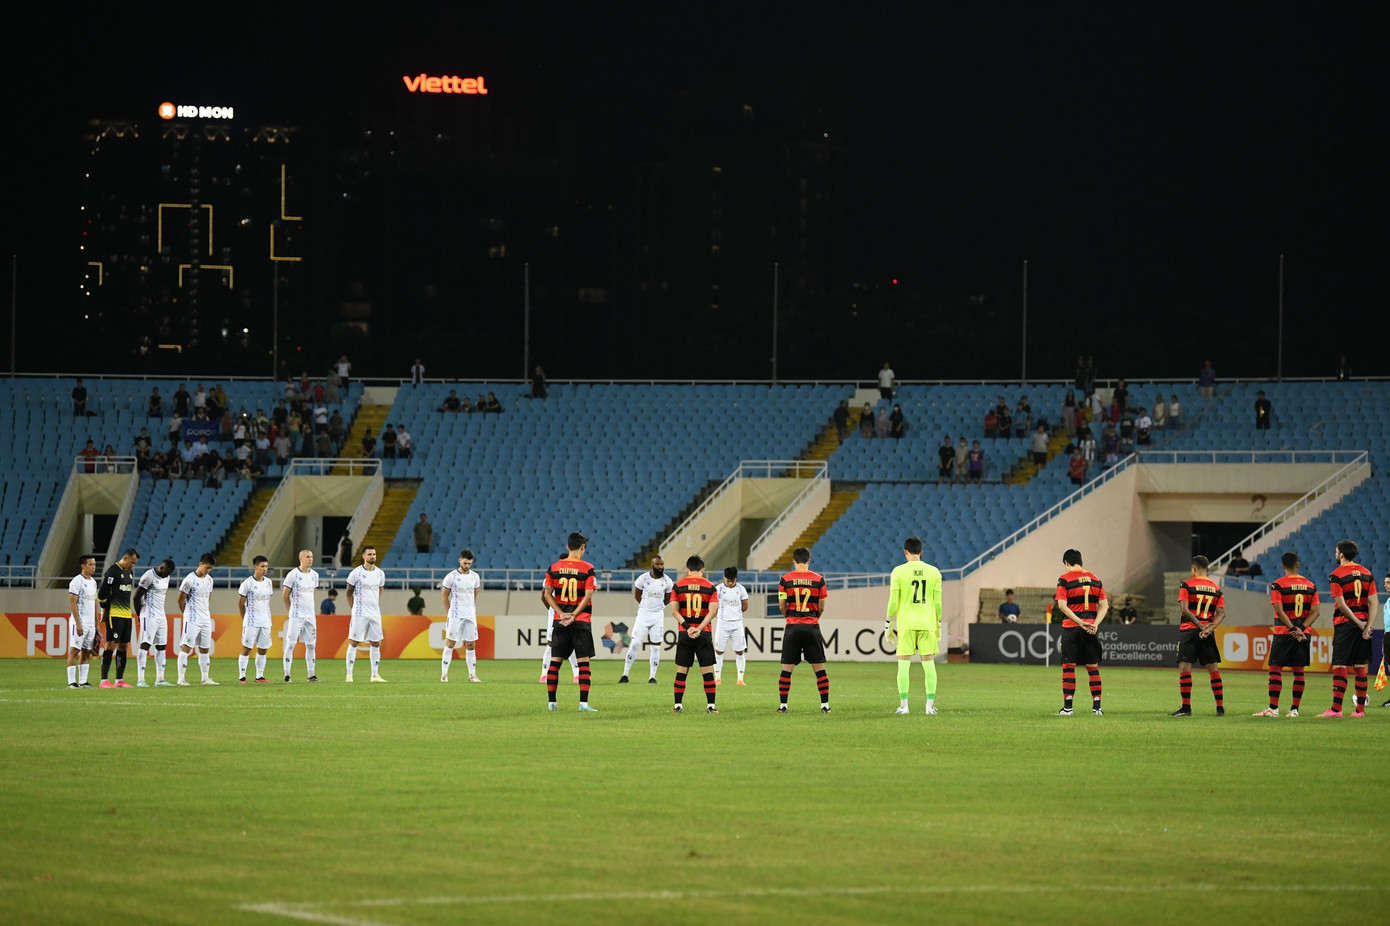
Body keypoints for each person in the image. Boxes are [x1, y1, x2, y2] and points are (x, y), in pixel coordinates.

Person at [1254, 552, 1318, 717]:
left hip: (1284, 633)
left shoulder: (1278, 585)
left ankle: (1273, 709)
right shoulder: (1311, 585)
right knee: (1299, 671)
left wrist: (1291, 630)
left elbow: (1279, 610)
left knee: (1275, 669)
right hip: (1303, 634)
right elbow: (1316, 612)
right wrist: (1301, 629)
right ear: (1298, 564)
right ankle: (1294, 710)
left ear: (1283, 565)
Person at [886, 535, 942, 714]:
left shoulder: (898, 572)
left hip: (906, 623)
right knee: (929, 663)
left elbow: (893, 602)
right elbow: (938, 603)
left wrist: (889, 623)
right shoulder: (934, 572)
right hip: (927, 623)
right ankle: (929, 707)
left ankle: (904, 706)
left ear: (905, 552)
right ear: (921, 552)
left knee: (903, 664)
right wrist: (938, 623)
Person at [542, 533, 598, 711]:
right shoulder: (588, 568)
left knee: (555, 662)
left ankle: (552, 703)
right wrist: (573, 614)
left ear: (567, 547)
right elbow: (588, 595)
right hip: (580, 621)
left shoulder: (554, 567)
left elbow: (547, 595)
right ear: (583, 548)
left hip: (560, 622)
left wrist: (561, 613)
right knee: (583, 663)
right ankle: (583, 704)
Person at [1321, 539, 1377, 718]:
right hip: (1363, 623)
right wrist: (1367, 625)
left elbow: (1342, 605)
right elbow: (1374, 601)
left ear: (1342, 554)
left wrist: (1357, 623)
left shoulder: (1336, 575)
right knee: (1359, 666)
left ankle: (1336, 709)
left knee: (1339, 664)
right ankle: (1360, 710)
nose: (1335, 554)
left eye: (1337, 552)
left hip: (1345, 625)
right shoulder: (1367, 573)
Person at [1170, 556, 1227, 716]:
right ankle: (1220, 708)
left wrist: (1200, 625)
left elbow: (1185, 609)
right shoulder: (1216, 588)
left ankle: (1186, 708)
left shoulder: (1186, 585)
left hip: (1190, 630)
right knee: (1213, 669)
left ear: (1193, 569)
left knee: (1185, 667)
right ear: (1208, 570)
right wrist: (1209, 628)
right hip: (1207, 633)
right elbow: (1222, 613)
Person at [777, 547, 831, 713]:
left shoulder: (785, 580)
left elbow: (781, 605)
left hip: (792, 627)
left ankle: (783, 706)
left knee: (787, 668)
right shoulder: (819, 580)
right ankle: (825, 706)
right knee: (819, 668)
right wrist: (814, 618)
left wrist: (789, 617)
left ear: (793, 561)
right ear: (809, 561)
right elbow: (822, 606)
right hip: (811, 626)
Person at [1054, 549, 1108, 715]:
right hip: (1090, 629)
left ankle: (1068, 708)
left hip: (1072, 628)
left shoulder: (1064, 580)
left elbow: (1062, 605)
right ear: (1080, 562)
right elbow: (1104, 605)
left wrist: (1079, 622)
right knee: (1093, 667)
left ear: (1066, 563)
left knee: (1069, 667)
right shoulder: (1096, 579)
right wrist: (1095, 624)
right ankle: (1097, 708)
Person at [669, 555, 720, 714]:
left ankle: (678, 706)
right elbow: (713, 612)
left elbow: (674, 611)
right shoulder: (710, 587)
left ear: (687, 569)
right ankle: (711, 706)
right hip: (703, 634)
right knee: (707, 672)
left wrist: (687, 627)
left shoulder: (678, 586)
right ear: (702, 569)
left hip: (685, 634)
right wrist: (699, 628)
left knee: (681, 671)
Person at [620, 556, 672, 684]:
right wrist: (645, 607)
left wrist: (658, 608)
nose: (660, 567)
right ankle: (625, 675)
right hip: (643, 615)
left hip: (658, 616)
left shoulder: (668, 581)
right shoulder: (642, 579)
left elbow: (667, 599)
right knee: (635, 644)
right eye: (658, 564)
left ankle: (652, 677)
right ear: (652, 564)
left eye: (662, 564)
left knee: (655, 647)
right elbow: (637, 595)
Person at [96, 548, 139, 688]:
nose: (133, 565)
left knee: (124, 646)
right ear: (125, 559)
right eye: (132, 562)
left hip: (126, 614)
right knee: (111, 644)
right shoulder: (112, 571)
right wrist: (104, 609)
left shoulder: (129, 573)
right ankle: (104, 681)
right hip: (114, 614)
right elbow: (102, 593)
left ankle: (119, 680)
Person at [346, 545, 388, 683]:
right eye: (369, 554)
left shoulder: (380, 573)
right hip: (359, 613)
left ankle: (375, 675)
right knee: (354, 642)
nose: (372, 557)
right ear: (363, 556)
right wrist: (355, 608)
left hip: (375, 612)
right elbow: (348, 593)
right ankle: (349, 675)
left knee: (376, 643)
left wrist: (374, 603)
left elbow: (379, 590)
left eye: (374, 554)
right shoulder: (356, 573)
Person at [441, 549, 483, 683]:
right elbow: (444, 596)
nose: (467, 566)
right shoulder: (451, 577)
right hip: (455, 614)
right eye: (465, 563)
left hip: (470, 615)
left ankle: (472, 675)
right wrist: (449, 613)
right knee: (450, 643)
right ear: (460, 560)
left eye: (469, 564)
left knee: (471, 645)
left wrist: (471, 608)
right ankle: (444, 675)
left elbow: (475, 594)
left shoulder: (475, 577)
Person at [176, 553, 218, 685]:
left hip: (205, 618)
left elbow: (208, 596)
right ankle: (181, 678)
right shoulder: (189, 580)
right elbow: (180, 599)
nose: (208, 570)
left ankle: (205, 678)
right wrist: (187, 614)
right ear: (200, 564)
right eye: (207, 567)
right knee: (186, 647)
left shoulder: (209, 580)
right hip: (192, 618)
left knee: (205, 648)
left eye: (210, 568)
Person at [134, 558, 176, 687]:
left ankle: (160, 679)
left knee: (161, 646)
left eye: (169, 574)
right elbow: (136, 597)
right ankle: (141, 679)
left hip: (161, 615)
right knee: (145, 644)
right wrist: (140, 616)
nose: (166, 576)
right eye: (166, 573)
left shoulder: (166, 577)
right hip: (149, 614)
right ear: (162, 568)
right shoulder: (148, 576)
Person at [282, 549, 321, 683]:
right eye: (307, 557)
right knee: (291, 644)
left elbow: (313, 593)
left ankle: (311, 674)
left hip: (310, 616)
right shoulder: (292, 575)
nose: (310, 559)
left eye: (311, 556)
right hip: (296, 616)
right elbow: (285, 595)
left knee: (311, 645)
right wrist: (291, 611)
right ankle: (287, 674)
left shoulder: (315, 575)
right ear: (301, 559)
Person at [237, 556, 275, 684]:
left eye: (266, 566)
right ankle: (242, 676)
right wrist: (245, 619)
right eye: (262, 566)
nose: (265, 569)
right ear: (255, 567)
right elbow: (240, 603)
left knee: (263, 649)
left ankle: (260, 676)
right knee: (247, 648)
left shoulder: (268, 583)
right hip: (251, 621)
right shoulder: (247, 583)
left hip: (265, 621)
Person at [713, 566, 750, 686]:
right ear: (724, 577)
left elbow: (745, 606)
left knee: (740, 651)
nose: (730, 583)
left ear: (735, 579)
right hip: (722, 623)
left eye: (732, 581)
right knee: (718, 651)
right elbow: (713, 605)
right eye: (728, 581)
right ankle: (717, 678)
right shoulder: (718, 589)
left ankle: (740, 679)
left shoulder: (741, 589)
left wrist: (735, 615)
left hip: (737, 624)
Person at [66, 555, 99, 688]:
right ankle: (71, 682)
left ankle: (83, 681)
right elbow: (73, 603)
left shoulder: (94, 582)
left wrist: (96, 623)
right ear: (83, 566)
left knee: (86, 652)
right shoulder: (76, 581)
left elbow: (94, 603)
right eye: (90, 564)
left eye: (94, 565)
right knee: (74, 651)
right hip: (79, 623)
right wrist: (78, 623)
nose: (93, 567)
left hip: (91, 624)